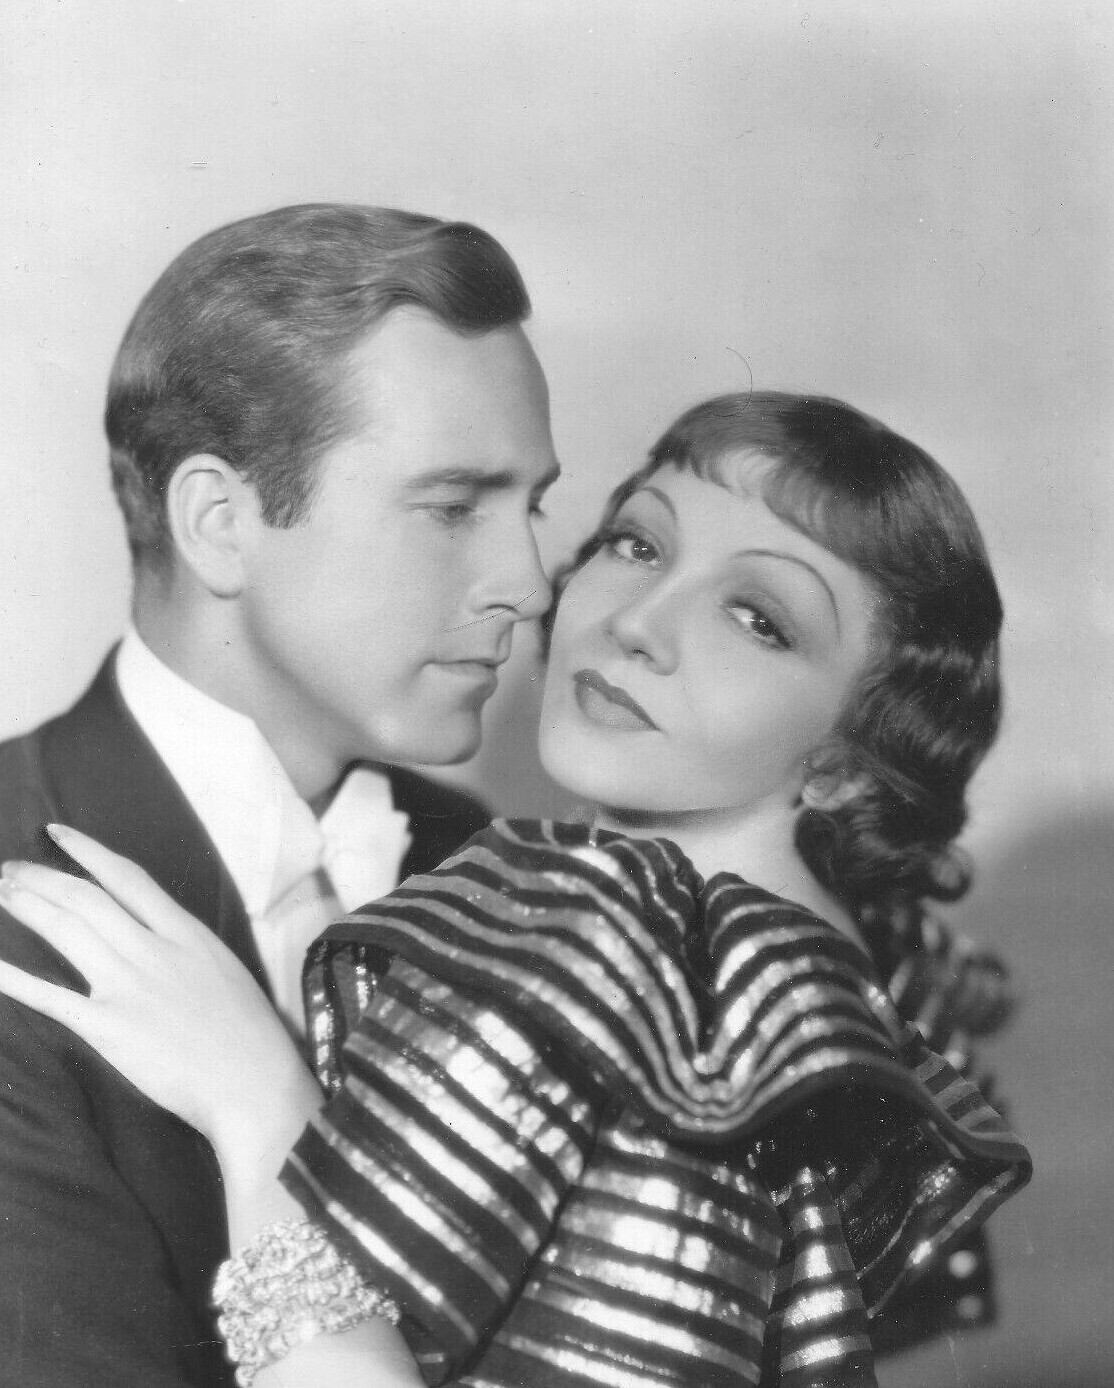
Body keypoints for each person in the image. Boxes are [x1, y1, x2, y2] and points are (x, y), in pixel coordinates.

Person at [0, 392, 1031, 1387]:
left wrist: (259, 1103)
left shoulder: (673, 997)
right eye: (638, 544)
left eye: (758, 617)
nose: (638, 621)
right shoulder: (732, 954)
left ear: (851, 761)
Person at [0, 204, 560, 1387]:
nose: (528, 581)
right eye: (453, 507)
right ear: (219, 523)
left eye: (533, 507)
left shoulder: (493, 867)